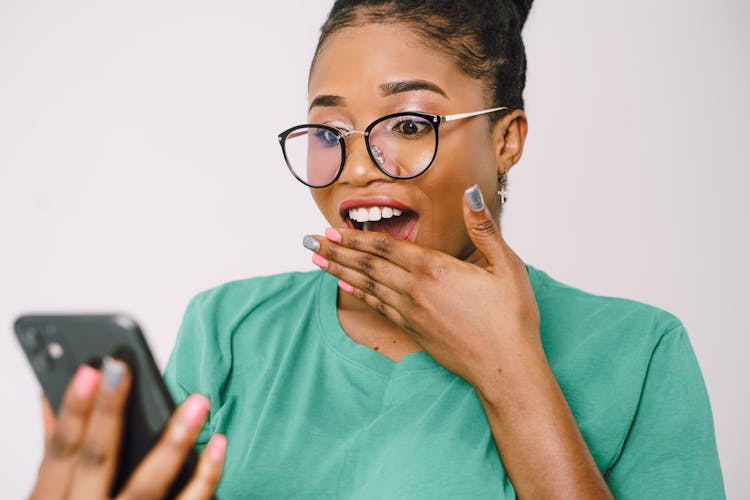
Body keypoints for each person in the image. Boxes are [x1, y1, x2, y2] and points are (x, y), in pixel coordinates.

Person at [28, 1, 725, 498]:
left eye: (409, 123)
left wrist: (509, 371)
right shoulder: (229, 331)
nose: (358, 168)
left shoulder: (639, 353)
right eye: (330, 132)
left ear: (506, 138)